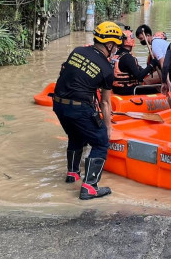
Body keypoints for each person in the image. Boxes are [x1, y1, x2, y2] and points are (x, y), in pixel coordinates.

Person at [52, 21, 122, 200]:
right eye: (115, 46)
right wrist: (108, 127)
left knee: (76, 136)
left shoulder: (77, 51)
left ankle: (73, 174)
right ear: (109, 44)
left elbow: (65, 73)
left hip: (58, 104)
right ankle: (90, 187)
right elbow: (105, 102)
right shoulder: (107, 69)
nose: (115, 50)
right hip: (79, 108)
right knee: (100, 143)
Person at [111, 30, 159, 95]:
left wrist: (145, 70)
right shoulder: (127, 57)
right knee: (155, 89)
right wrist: (152, 64)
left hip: (115, 89)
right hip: (126, 90)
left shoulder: (116, 55)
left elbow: (137, 69)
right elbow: (139, 77)